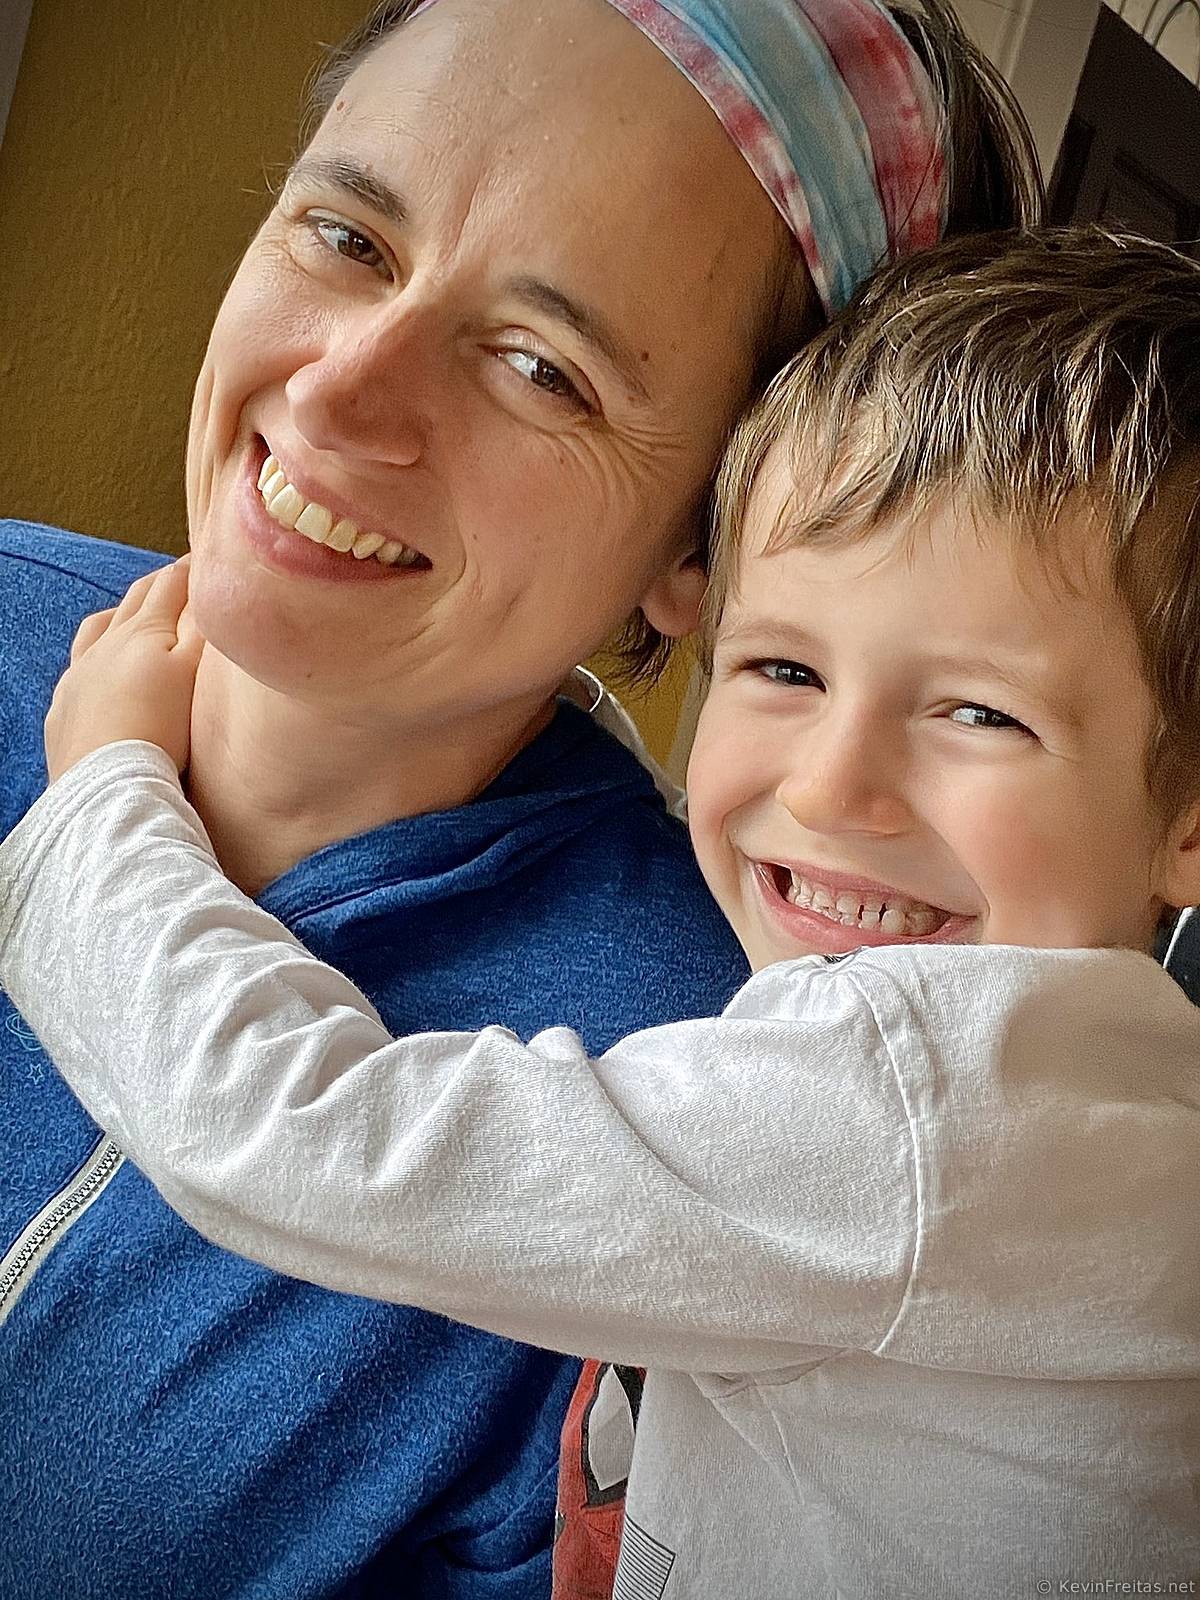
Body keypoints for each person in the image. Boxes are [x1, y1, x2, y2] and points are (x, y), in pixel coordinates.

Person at [0, 2, 1039, 1596]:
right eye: (348, 237)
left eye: (543, 369)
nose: (340, 393)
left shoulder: (708, 1123)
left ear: (710, 547)